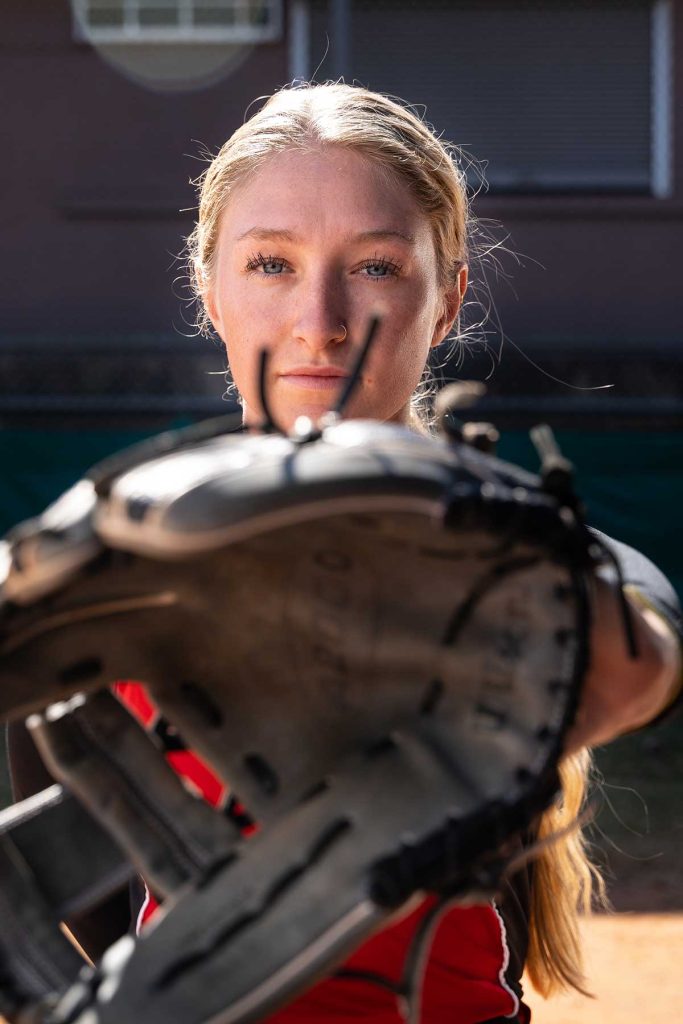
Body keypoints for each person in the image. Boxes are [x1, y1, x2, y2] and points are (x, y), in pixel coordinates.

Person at [8, 82, 683, 1023]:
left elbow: (639, 624)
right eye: (272, 263)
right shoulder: (117, 570)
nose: (319, 319)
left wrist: (599, 635)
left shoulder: (511, 561)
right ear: (210, 288)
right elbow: (77, 907)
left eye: (372, 266)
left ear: (447, 299)